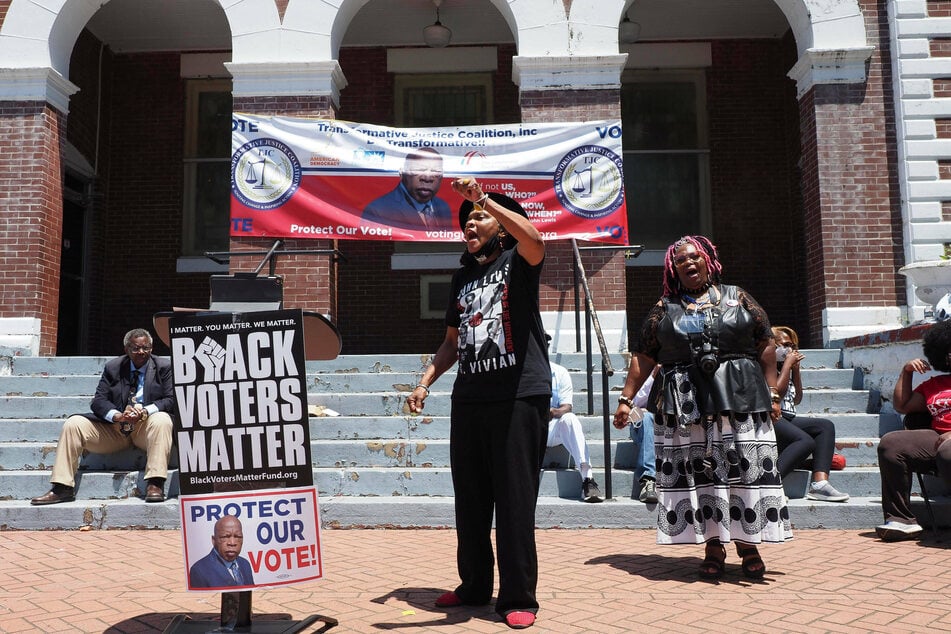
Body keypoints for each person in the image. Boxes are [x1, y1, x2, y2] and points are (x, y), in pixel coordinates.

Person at [406, 177, 549, 630]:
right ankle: (474, 586)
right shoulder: (462, 275)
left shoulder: (518, 261)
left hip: (518, 396)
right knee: (470, 501)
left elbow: (536, 238)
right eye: (466, 219)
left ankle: (517, 597)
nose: (470, 222)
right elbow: (452, 341)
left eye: (480, 218)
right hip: (470, 399)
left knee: (513, 500)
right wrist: (426, 381)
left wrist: (484, 198)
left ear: (502, 228)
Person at [612, 235, 792, 581]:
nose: (688, 264)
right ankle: (713, 544)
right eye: (680, 261)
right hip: (686, 405)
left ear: (708, 260)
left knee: (742, 472)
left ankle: (747, 544)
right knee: (702, 475)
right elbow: (644, 356)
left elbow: (765, 342)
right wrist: (626, 399)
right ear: (673, 269)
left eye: (694, 258)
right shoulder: (665, 308)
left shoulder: (737, 297)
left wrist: (773, 392)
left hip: (739, 397)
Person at [31, 328, 175, 505]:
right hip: (115, 430)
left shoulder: (163, 367)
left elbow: (170, 399)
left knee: (162, 419)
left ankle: (155, 483)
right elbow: (98, 401)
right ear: (127, 349)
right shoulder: (113, 367)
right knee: (73, 423)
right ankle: (62, 487)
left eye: (146, 348)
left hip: (145, 429)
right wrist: (117, 416)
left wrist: (145, 412)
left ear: (152, 348)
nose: (142, 352)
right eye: (136, 348)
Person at [877, 319, 951, 541]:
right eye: (948, 350)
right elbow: (902, 406)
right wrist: (907, 370)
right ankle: (901, 520)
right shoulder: (934, 384)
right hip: (938, 437)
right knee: (891, 443)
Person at [772, 326, 849, 502]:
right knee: (805, 441)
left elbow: (797, 399)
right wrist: (787, 367)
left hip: (788, 419)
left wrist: (795, 371)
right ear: (772, 345)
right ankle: (772, 485)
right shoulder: (767, 367)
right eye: (784, 345)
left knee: (825, 426)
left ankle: (820, 485)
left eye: (792, 345)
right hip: (772, 418)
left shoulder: (784, 368)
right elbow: (775, 395)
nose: (789, 350)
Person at [547, 349, 603, 503]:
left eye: (544, 342)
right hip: (528, 429)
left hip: (552, 427)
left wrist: (551, 412)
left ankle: (588, 480)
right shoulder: (521, 372)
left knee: (570, 418)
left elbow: (567, 407)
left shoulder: (559, 372)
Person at [361, 147, 453, 230]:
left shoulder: (443, 207)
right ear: (402, 174)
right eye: (419, 169)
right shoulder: (378, 210)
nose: (427, 178)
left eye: (436, 171)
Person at [189, 515, 256, 588]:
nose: (232, 543)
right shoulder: (200, 571)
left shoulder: (245, 564)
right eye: (225, 537)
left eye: (238, 537)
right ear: (214, 540)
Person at [628, 366, 659, 503]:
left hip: (667, 426)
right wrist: (653, 377)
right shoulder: (640, 372)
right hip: (641, 426)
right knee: (646, 417)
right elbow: (634, 404)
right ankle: (648, 480)